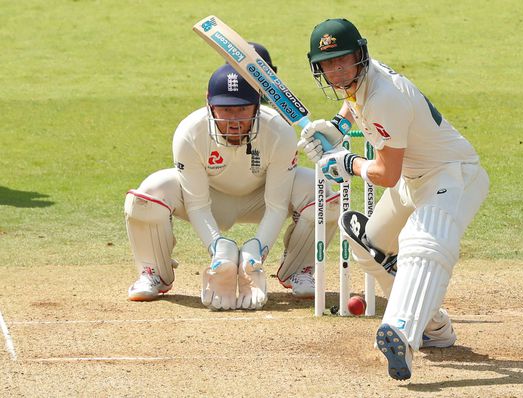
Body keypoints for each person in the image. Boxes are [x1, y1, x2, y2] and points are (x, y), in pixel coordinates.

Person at [299, 19, 489, 380]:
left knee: (421, 242)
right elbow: (356, 104)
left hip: (453, 174)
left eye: (344, 60)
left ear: (360, 55)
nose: (337, 71)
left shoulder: (386, 97)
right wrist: (337, 127)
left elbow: (386, 174)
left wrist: (348, 163)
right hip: (415, 180)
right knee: (369, 243)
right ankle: (435, 329)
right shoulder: (361, 83)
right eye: (328, 64)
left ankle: (401, 332)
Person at [124, 44, 339, 310]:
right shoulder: (189, 133)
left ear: (256, 105)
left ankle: (300, 269)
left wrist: (257, 250)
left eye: (241, 109)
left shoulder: (280, 131)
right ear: (209, 103)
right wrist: (218, 249)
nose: (233, 120)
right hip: (211, 198)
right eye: (225, 110)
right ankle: (153, 273)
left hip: (260, 199)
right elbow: (197, 205)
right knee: (150, 193)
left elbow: (276, 205)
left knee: (324, 194)